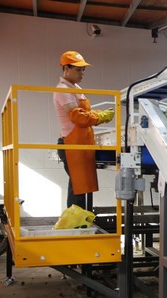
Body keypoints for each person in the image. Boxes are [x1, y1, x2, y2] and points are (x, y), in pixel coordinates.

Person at [53, 51, 114, 209]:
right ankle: (74, 221)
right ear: (66, 68)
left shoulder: (75, 88)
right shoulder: (63, 90)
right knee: (78, 187)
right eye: (78, 69)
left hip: (81, 143)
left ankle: (81, 219)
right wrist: (100, 117)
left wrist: (99, 114)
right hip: (72, 144)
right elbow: (78, 117)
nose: (82, 73)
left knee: (81, 187)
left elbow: (85, 113)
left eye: (83, 70)